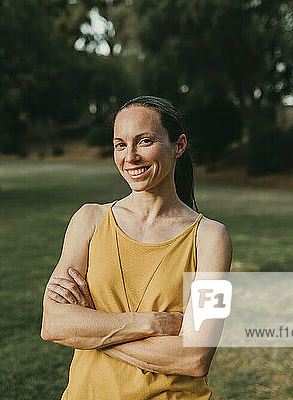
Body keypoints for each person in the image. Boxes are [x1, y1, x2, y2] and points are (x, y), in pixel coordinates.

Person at [41, 95, 232, 399]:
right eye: (120, 145)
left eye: (144, 142)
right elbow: (54, 324)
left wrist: (92, 328)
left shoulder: (211, 238)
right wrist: (150, 323)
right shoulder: (88, 220)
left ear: (179, 145)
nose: (130, 157)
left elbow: (195, 358)